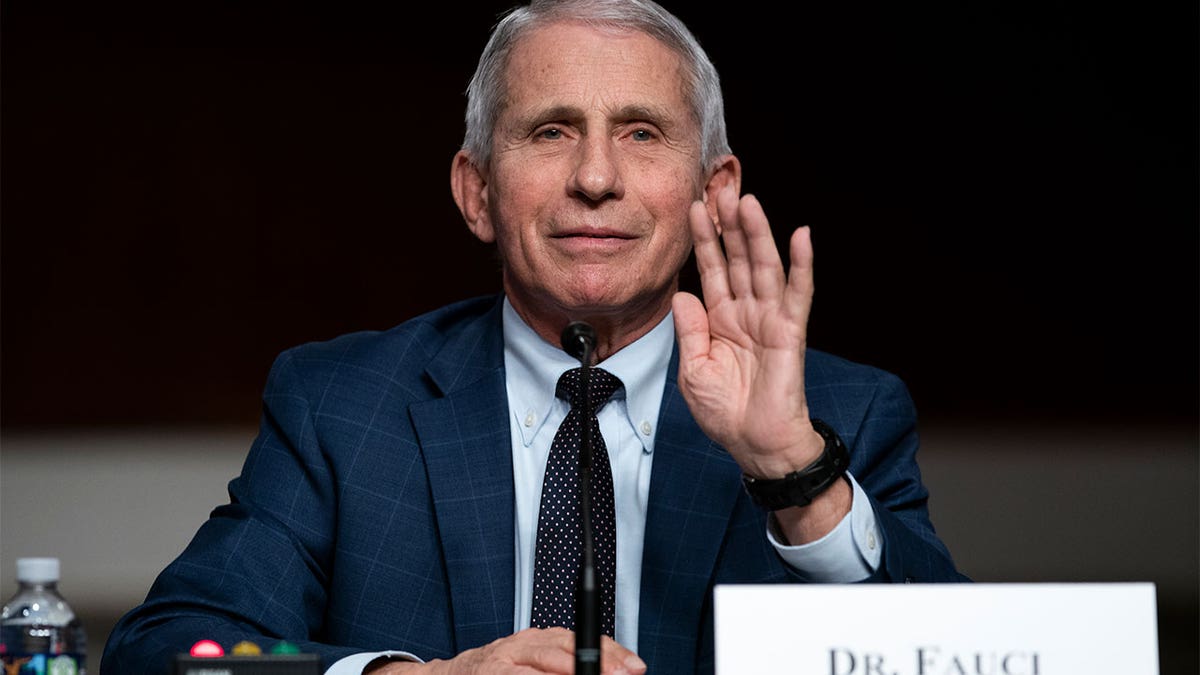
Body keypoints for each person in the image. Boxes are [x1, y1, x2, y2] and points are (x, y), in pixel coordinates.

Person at [101, 0, 967, 673]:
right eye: (551, 132)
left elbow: (972, 656)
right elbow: (168, 651)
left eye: (641, 132)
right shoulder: (344, 407)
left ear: (713, 190)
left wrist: (795, 474)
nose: (596, 177)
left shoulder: (843, 414)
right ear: (476, 191)